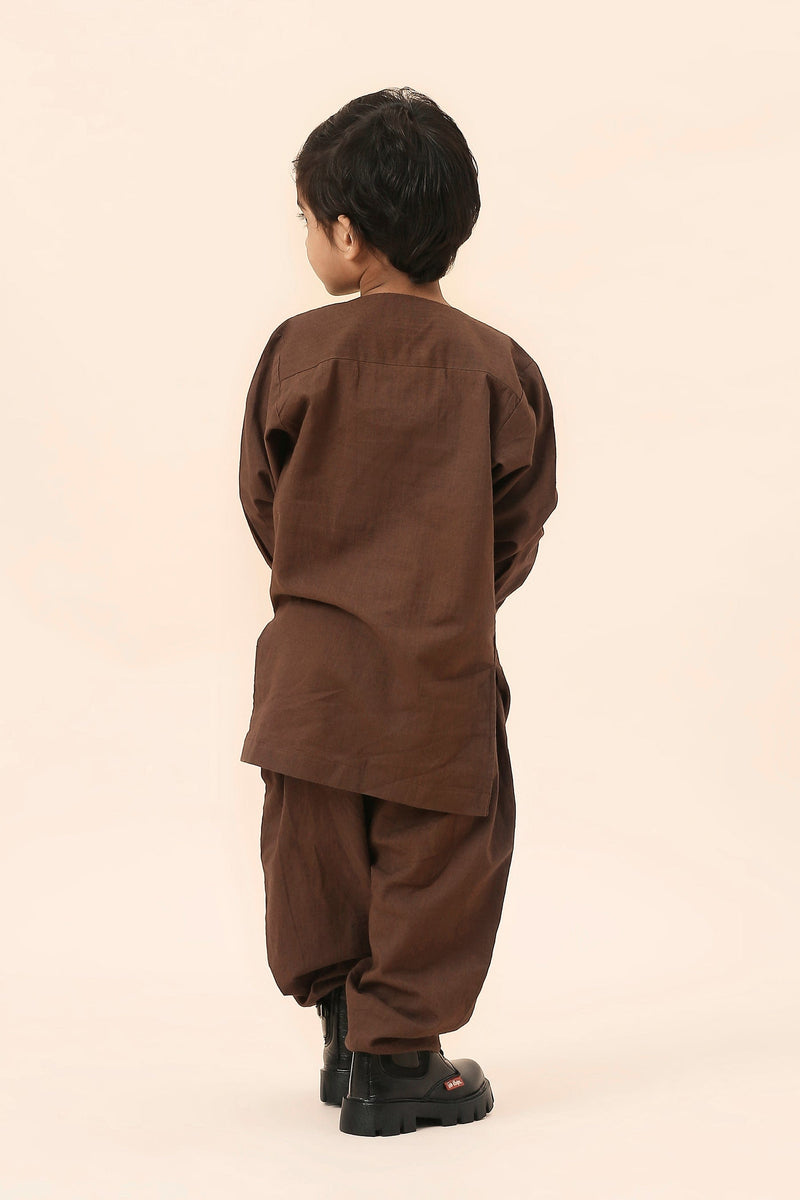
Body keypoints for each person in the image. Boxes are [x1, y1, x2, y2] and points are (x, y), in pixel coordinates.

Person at [238, 86, 558, 1137]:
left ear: (345, 233)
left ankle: (343, 1032)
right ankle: (398, 1060)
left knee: (315, 848)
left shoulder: (294, 352)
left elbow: (263, 500)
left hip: (312, 673)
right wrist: (447, 594)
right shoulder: (498, 366)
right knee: (439, 853)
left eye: (305, 219)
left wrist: (326, 581)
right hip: (436, 669)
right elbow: (521, 518)